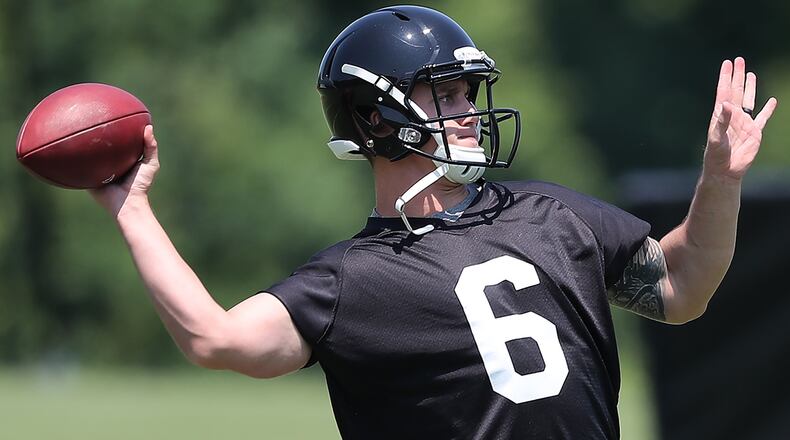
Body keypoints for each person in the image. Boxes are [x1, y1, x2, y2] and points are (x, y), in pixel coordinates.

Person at [90, 5, 777, 439]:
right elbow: (215, 338)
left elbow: (683, 288)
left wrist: (720, 177)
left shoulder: (552, 212)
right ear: (375, 117)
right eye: (445, 92)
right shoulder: (351, 281)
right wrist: (133, 206)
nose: (469, 109)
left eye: (468, 90)